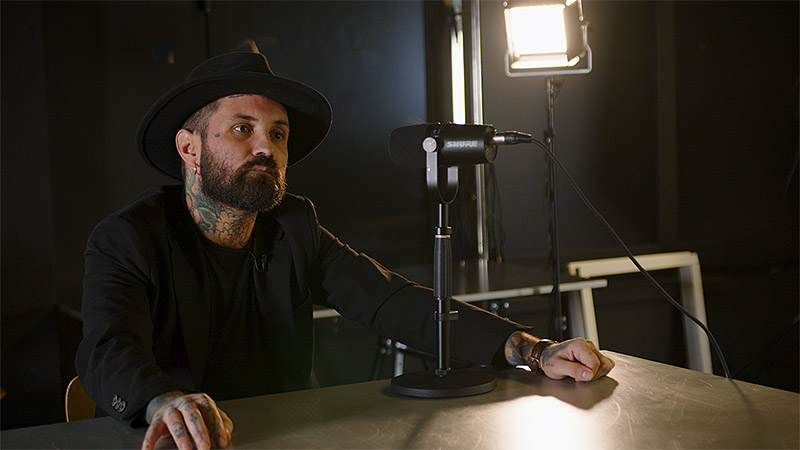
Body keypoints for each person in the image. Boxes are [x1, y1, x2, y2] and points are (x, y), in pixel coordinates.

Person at [76, 51, 614, 450]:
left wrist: (532, 349)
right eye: (242, 128)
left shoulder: (292, 226)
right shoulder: (128, 237)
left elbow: (391, 301)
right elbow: (106, 348)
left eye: (278, 134)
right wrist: (162, 399)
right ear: (189, 147)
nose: (266, 147)